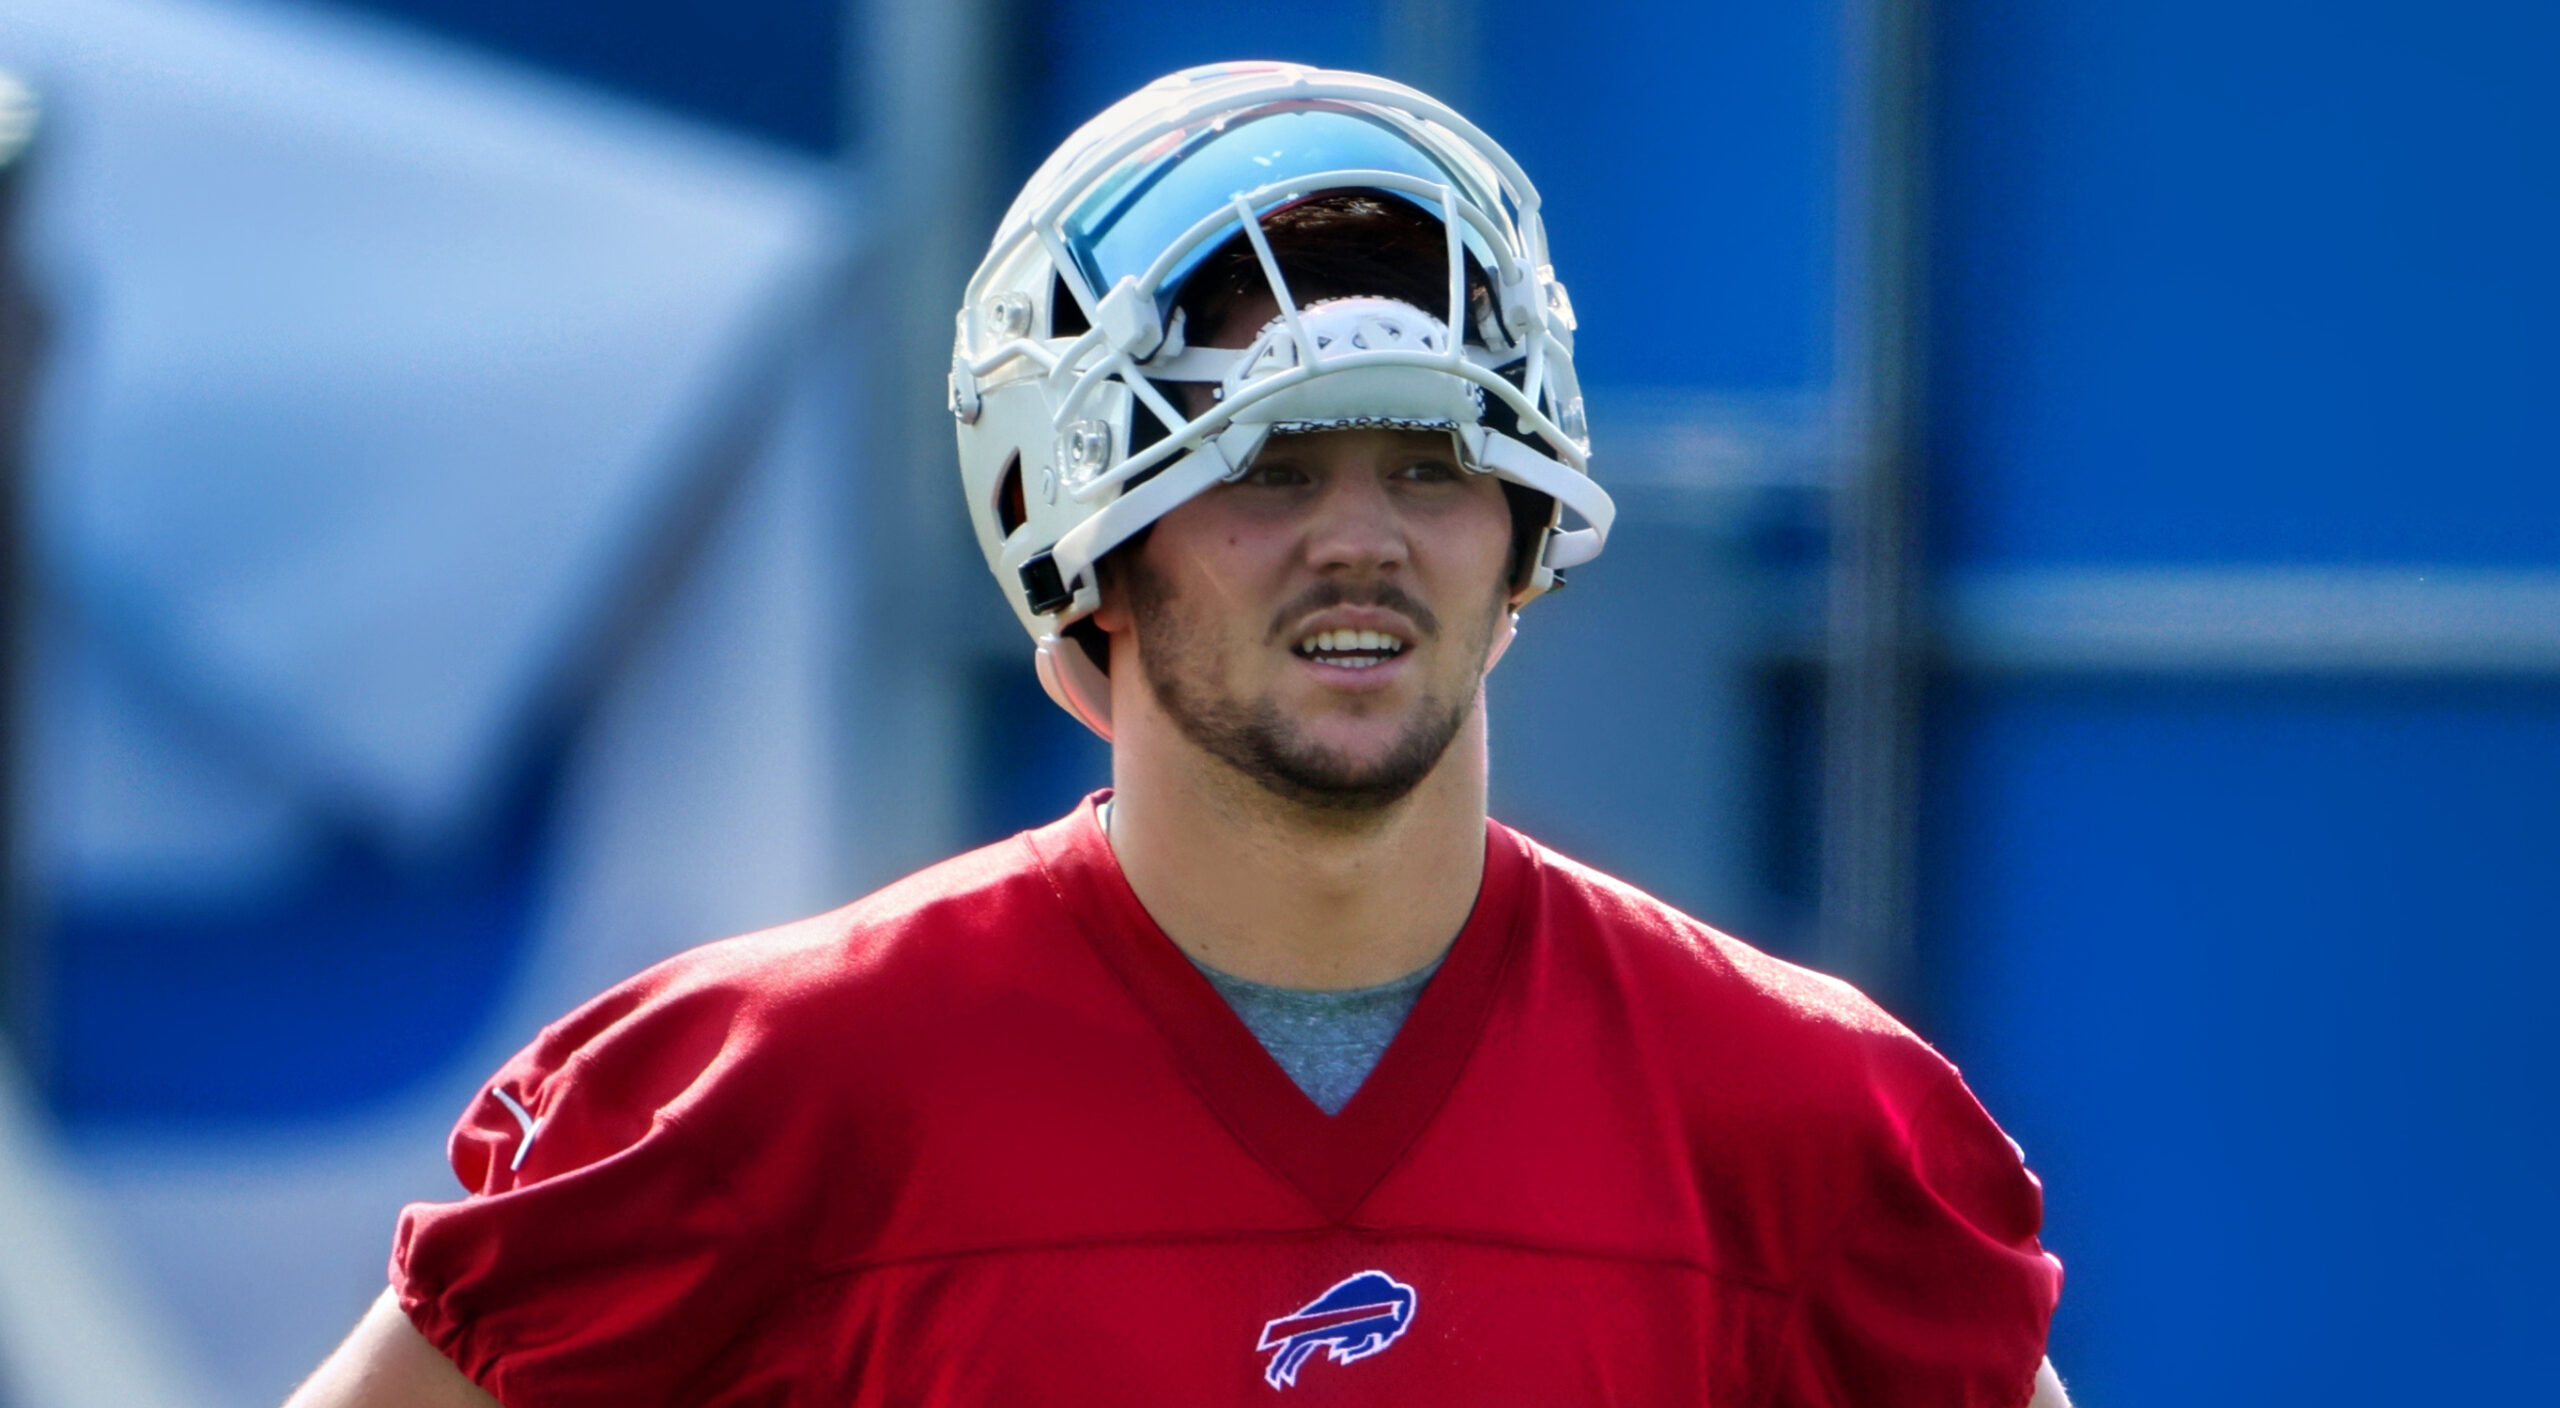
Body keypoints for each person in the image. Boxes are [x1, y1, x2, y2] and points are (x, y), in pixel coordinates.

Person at [287, 62, 2072, 1406]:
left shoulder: (1804, 1123)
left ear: (1525, 529)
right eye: (1264, 470)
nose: (1359, 536)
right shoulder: (768, 1096)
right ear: (1090, 557)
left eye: (1432, 464)